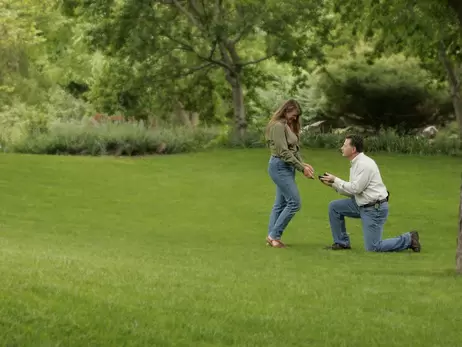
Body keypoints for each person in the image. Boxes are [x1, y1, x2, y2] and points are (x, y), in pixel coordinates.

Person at [320, 134, 421, 252]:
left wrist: (335, 180)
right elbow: (354, 192)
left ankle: (409, 239)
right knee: (334, 207)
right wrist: (333, 185)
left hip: (374, 208)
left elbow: (356, 189)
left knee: (373, 247)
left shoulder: (364, 165)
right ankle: (341, 243)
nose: (341, 147)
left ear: (353, 149)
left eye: (344, 145)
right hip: (361, 203)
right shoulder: (356, 163)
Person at [265, 99, 315, 248]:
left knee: (280, 204)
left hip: (287, 167)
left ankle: (271, 237)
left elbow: (294, 149)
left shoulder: (288, 125)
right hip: (279, 166)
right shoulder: (278, 126)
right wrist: (302, 169)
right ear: (286, 111)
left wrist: (302, 164)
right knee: (294, 203)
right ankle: (274, 235)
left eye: (297, 115)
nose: (295, 118)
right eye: (294, 114)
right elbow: (284, 152)